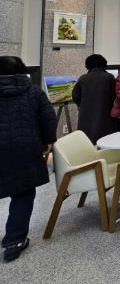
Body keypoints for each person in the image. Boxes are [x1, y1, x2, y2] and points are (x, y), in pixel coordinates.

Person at [0, 56, 57, 262]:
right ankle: (14, 241)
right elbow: (48, 117)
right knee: (23, 193)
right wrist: (48, 140)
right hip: (25, 147)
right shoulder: (33, 92)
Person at [72, 54, 116, 144]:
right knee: (105, 139)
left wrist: (82, 104)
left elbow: (75, 96)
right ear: (104, 63)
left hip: (86, 114)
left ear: (88, 65)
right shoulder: (109, 77)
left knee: (86, 139)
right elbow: (114, 95)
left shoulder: (83, 78)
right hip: (105, 113)